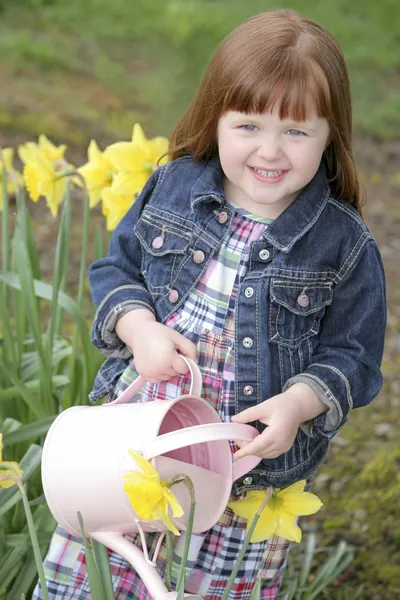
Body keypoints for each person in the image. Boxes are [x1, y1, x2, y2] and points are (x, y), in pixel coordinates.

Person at [34, 8, 386, 600]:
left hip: (244, 465)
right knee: (95, 570)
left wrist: (300, 405)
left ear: (331, 135)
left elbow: (353, 354)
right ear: (215, 118)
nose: (270, 151)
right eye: (248, 125)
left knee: (207, 587)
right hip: (132, 443)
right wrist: (141, 331)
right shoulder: (175, 185)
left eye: (296, 132)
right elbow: (115, 268)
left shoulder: (343, 242)